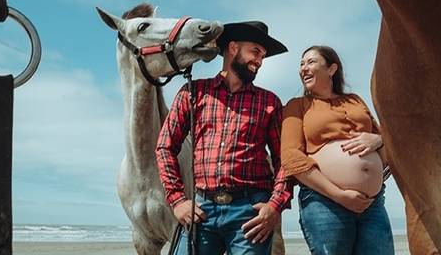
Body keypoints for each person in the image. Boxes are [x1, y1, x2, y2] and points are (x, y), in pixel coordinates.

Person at [156, 21, 292, 255]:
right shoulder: (193, 92)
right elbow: (164, 147)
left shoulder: (269, 102)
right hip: (201, 210)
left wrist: (275, 205)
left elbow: (285, 160)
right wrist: (177, 200)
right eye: (255, 52)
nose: (259, 61)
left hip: (250, 213)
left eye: (262, 56)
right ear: (233, 48)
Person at [281, 45, 394, 254]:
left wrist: (378, 140)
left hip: (373, 204)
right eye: (301, 64)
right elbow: (290, 157)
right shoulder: (296, 106)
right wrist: (339, 195)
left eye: (311, 62)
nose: (303, 68)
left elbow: (388, 142)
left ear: (332, 69)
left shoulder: (355, 101)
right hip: (325, 202)